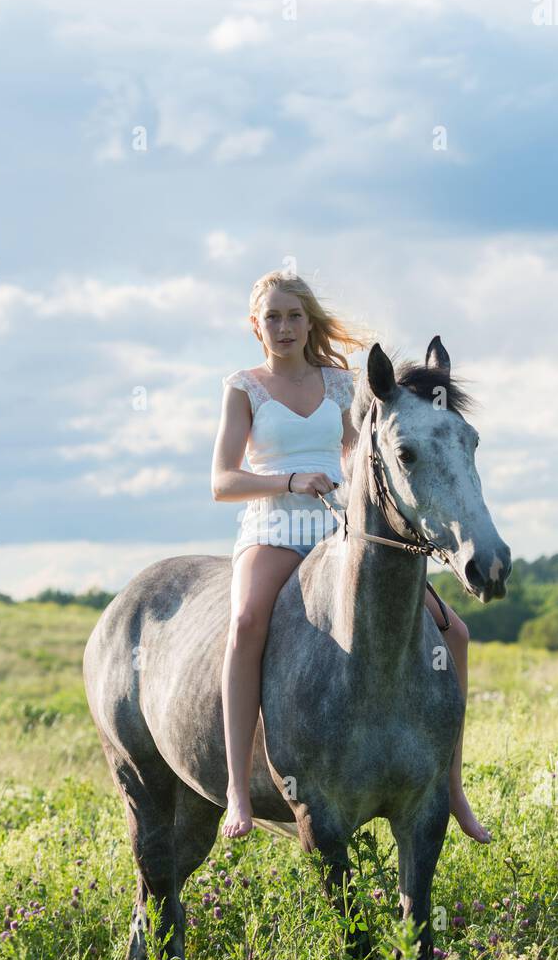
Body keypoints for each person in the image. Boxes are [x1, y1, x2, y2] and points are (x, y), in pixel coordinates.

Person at [210, 270, 490, 844]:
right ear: (256, 326)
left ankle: (450, 782)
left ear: (309, 321)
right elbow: (222, 480)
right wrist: (290, 480)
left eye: (294, 316)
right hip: (274, 528)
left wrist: (353, 477)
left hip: (339, 533)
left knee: (454, 633)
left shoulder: (339, 385)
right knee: (244, 624)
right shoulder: (243, 387)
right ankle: (239, 786)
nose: (284, 327)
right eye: (273, 318)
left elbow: (355, 450)